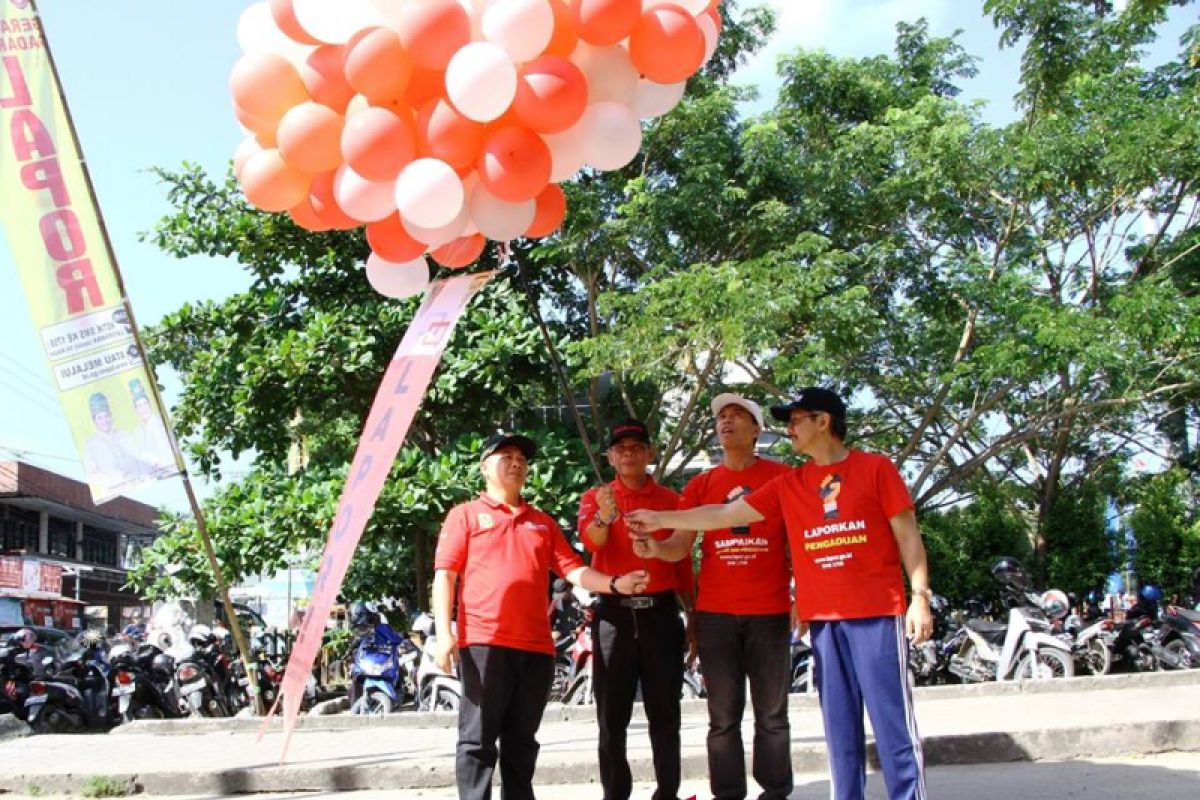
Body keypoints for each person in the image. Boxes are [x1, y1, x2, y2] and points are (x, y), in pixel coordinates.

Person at [627, 387, 934, 800]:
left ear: (823, 422)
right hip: (824, 622)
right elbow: (725, 514)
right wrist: (660, 517)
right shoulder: (791, 484)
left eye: (795, 420)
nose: (788, 428)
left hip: (876, 615)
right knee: (839, 731)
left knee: (892, 725)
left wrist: (920, 596)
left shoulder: (876, 469)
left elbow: (908, 535)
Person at [432, 432, 650, 800]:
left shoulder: (542, 523)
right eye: (506, 456)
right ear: (485, 466)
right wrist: (444, 634)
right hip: (484, 643)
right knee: (477, 741)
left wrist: (616, 584)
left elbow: (573, 570)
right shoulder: (465, 515)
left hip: (536, 650)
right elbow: (445, 575)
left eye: (521, 457)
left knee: (522, 743)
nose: (516, 463)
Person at [633, 393, 793, 800]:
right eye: (721, 416)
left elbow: (801, 544)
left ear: (756, 430)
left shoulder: (783, 477)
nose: (726, 421)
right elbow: (680, 546)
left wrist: (802, 600)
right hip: (716, 616)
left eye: (737, 415)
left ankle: (775, 791)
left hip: (771, 610)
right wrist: (655, 549)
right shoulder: (702, 483)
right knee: (722, 717)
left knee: (772, 715)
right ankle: (727, 794)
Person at [577, 418, 689, 800]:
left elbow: (683, 562)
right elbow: (591, 540)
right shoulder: (596, 497)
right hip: (614, 615)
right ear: (610, 456)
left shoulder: (672, 501)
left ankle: (667, 792)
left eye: (636, 447)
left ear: (650, 453)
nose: (628, 453)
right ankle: (616, 794)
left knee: (666, 714)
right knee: (611, 718)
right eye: (620, 448)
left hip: (661, 614)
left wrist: (695, 617)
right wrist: (604, 516)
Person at [82, 392, 154, 488]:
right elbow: (93, 474)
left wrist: (156, 462)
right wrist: (116, 478)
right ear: (94, 421)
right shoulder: (91, 444)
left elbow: (139, 454)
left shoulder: (123, 435)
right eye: (100, 418)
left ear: (111, 416)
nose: (104, 421)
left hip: (138, 483)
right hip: (115, 490)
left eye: (107, 416)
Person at [127, 378, 177, 472]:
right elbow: (140, 455)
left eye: (144, 403)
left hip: (173, 468)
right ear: (136, 409)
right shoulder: (137, 431)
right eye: (139, 406)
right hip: (154, 474)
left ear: (149, 404)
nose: (143, 408)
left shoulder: (161, 421)